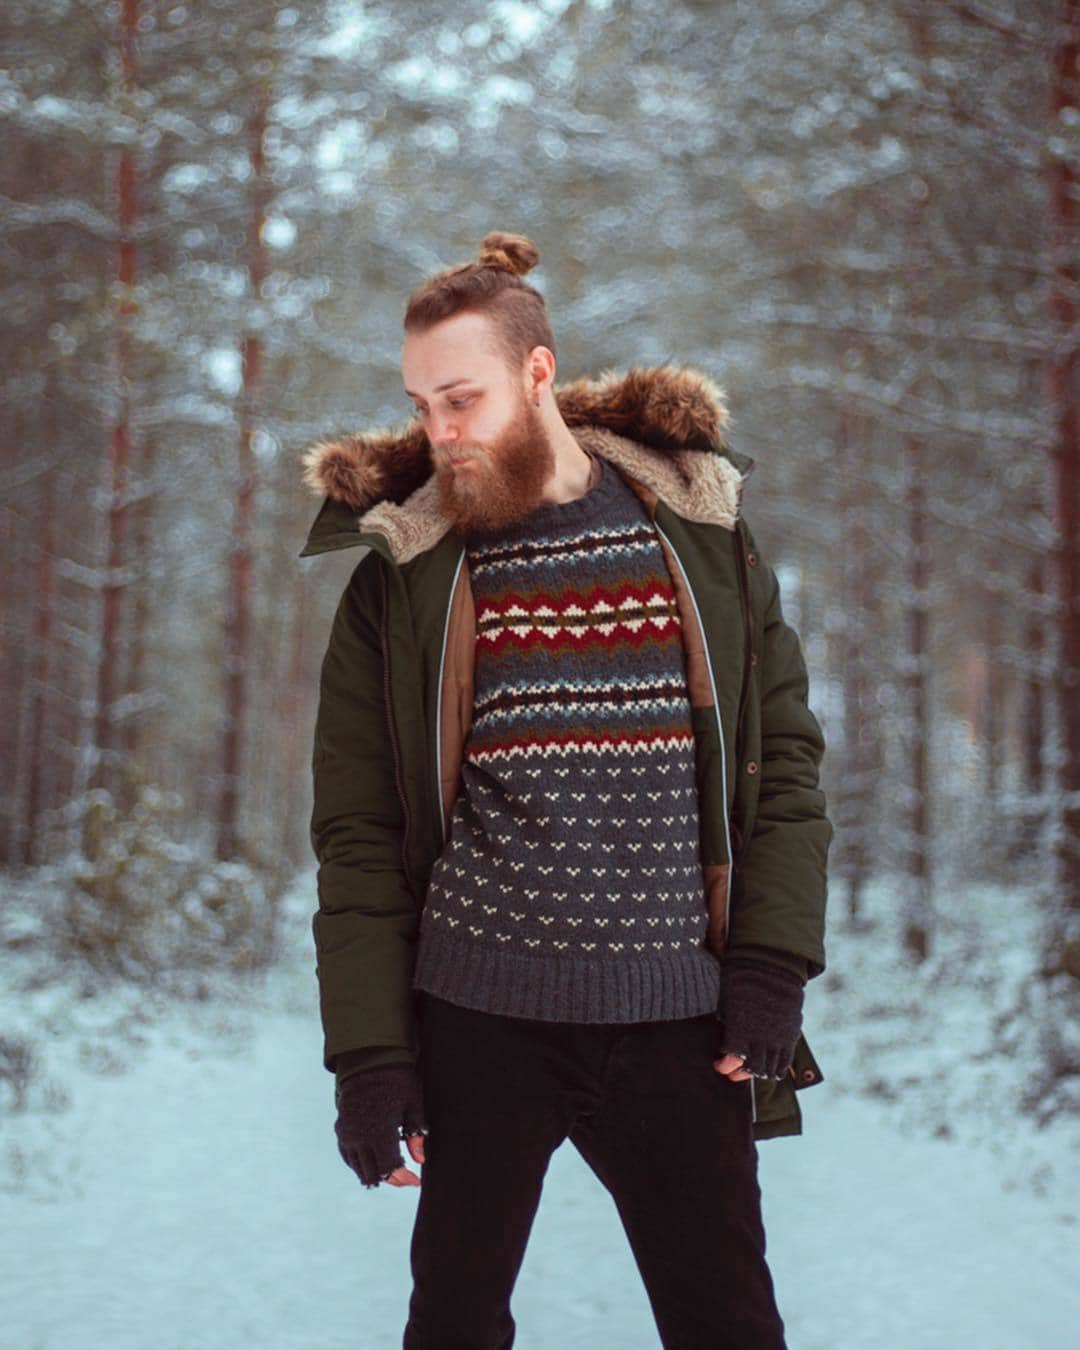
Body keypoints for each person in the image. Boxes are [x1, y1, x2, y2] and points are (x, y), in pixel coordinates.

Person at [299, 230, 832, 1349]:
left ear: (537, 372)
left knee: (730, 1325)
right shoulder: (402, 575)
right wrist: (371, 1055)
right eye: (419, 404)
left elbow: (781, 763)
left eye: (462, 399)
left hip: (680, 1022)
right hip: (478, 1020)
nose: (438, 433)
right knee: (453, 1326)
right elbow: (359, 833)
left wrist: (772, 966)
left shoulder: (700, 534)